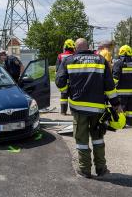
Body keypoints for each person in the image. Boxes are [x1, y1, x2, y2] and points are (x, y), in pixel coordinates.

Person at [56, 38, 121, 178]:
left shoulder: (68, 60)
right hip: (98, 108)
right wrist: (116, 104)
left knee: (81, 140)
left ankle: (85, 170)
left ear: (75, 48)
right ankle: (101, 168)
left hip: (78, 109)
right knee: (98, 138)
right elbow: (110, 86)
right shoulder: (100, 59)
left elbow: (59, 81)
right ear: (88, 47)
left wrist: (67, 90)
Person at [112, 45, 132, 126]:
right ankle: (130, 122)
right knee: (130, 109)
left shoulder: (118, 63)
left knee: (121, 109)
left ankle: (122, 124)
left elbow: (115, 79)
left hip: (121, 93)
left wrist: (110, 89)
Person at [56, 39, 75, 115]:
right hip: (73, 79)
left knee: (63, 95)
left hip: (63, 79)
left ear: (65, 47)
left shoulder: (60, 56)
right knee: (73, 96)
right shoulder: (75, 55)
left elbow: (57, 69)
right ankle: (73, 111)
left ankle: (63, 112)